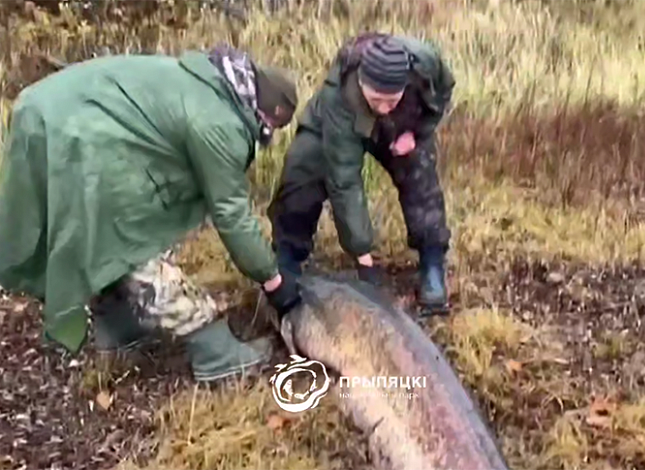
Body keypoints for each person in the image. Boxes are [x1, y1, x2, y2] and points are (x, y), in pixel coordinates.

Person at [0, 44, 303, 382]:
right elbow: (231, 213)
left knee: (102, 235)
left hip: (54, 114)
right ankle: (215, 350)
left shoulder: (211, 82)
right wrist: (272, 279)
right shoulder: (220, 122)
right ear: (266, 113)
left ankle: (120, 329)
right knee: (129, 238)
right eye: (271, 128)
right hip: (77, 137)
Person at [267, 33, 456, 316]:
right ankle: (288, 258)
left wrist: (417, 132)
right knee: (302, 170)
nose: (382, 107)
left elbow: (442, 94)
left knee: (420, 174)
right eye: (376, 99)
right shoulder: (338, 95)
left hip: (400, 126)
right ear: (361, 83)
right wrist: (362, 255)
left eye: (391, 99)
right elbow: (345, 180)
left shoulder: (426, 63)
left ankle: (432, 261)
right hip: (336, 126)